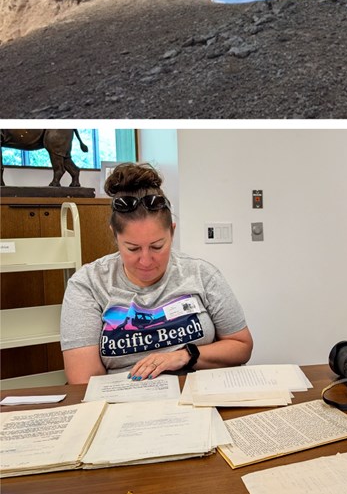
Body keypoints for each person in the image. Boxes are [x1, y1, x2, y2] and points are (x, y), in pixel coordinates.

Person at [60, 162, 253, 384]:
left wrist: (184, 356)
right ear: (115, 236)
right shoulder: (88, 284)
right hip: (125, 404)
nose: (145, 260)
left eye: (157, 246)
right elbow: (84, 381)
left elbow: (242, 347)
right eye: (132, 248)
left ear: (172, 232)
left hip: (200, 397)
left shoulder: (201, 274)